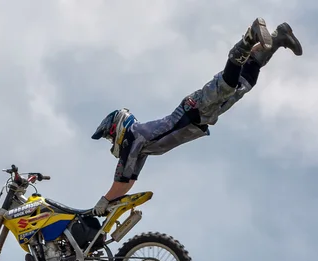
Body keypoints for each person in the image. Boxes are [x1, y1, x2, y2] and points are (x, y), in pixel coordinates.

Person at [91, 18, 303, 216]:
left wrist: (102, 202)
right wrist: (111, 203)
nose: (112, 141)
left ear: (116, 126)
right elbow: (128, 182)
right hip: (198, 117)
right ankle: (278, 37)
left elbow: (121, 181)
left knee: (227, 86)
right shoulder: (140, 147)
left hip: (192, 110)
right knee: (244, 82)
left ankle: (249, 37)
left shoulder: (132, 137)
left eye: (110, 136)